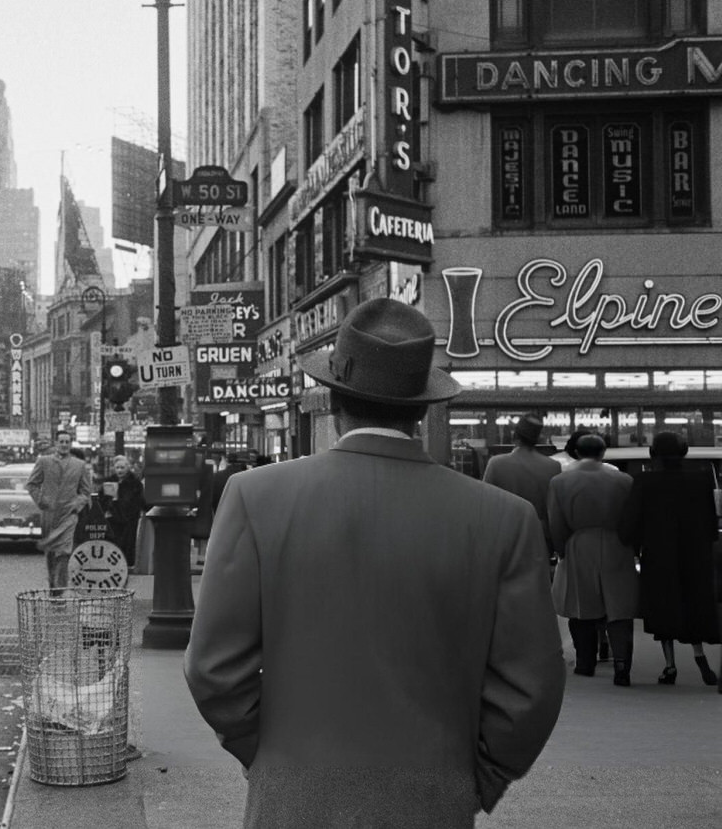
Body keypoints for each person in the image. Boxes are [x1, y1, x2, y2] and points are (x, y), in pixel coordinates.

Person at [185, 298, 564, 827]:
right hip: (434, 798)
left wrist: (265, 752)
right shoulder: (505, 519)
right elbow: (532, 688)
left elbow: (214, 669)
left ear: (334, 398)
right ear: (421, 407)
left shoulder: (255, 497)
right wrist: (479, 776)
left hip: (292, 798)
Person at [619, 432, 719, 686]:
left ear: (653, 453)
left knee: (663, 606)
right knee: (693, 601)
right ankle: (698, 654)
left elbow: (632, 521)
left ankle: (670, 666)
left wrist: (631, 544)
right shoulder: (701, 479)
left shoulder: (644, 481)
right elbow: (710, 521)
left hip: (658, 553)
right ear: (684, 451)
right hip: (695, 554)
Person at [548, 433, 638, 685]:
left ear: (576, 452)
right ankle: (622, 665)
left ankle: (585, 662)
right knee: (619, 608)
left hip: (578, 543)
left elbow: (556, 522)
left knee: (581, 606)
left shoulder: (560, 482)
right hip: (616, 543)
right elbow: (632, 517)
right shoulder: (623, 480)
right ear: (603, 452)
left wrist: (562, 549)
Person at [482, 414, 561, 561]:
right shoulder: (553, 466)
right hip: (540, 536)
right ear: (537, 439)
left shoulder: (496, 463)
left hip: (506, 534)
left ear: (515, 435)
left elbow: (486, 504)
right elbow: (554, 509)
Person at [26, 430, 92, 591]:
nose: (64, 445)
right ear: (56, 443)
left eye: (67, 442)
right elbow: (32, 484)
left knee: (64, 552)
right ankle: (52, 584)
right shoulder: (44, 462)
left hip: (69, 516)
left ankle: (60, 589)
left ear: (71, 444)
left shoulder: (79, 465)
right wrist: (41, 501)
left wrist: (77, 504)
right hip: (49, 515)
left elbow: (85, 491)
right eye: (61, 441)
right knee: (50, 553)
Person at [99, 455, 144, 568]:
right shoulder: (109, 481)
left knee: (127, 544)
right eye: (117, 467)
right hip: (112, 518)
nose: (119, 470)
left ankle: (126, 564)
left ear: (128, 468)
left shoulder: (135, 483)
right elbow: (101, 499)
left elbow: (137, 502)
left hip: (128, 520)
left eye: (122, 467)